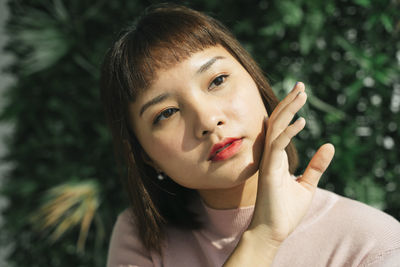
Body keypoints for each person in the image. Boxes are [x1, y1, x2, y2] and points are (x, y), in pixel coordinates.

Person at [100, 3, 400, 267]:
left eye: (217, 80)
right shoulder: (143, 241)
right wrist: (263, 237)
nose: (208, 119)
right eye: (166, 113)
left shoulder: (372, 245)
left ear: (256, 82)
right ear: (147, 157)